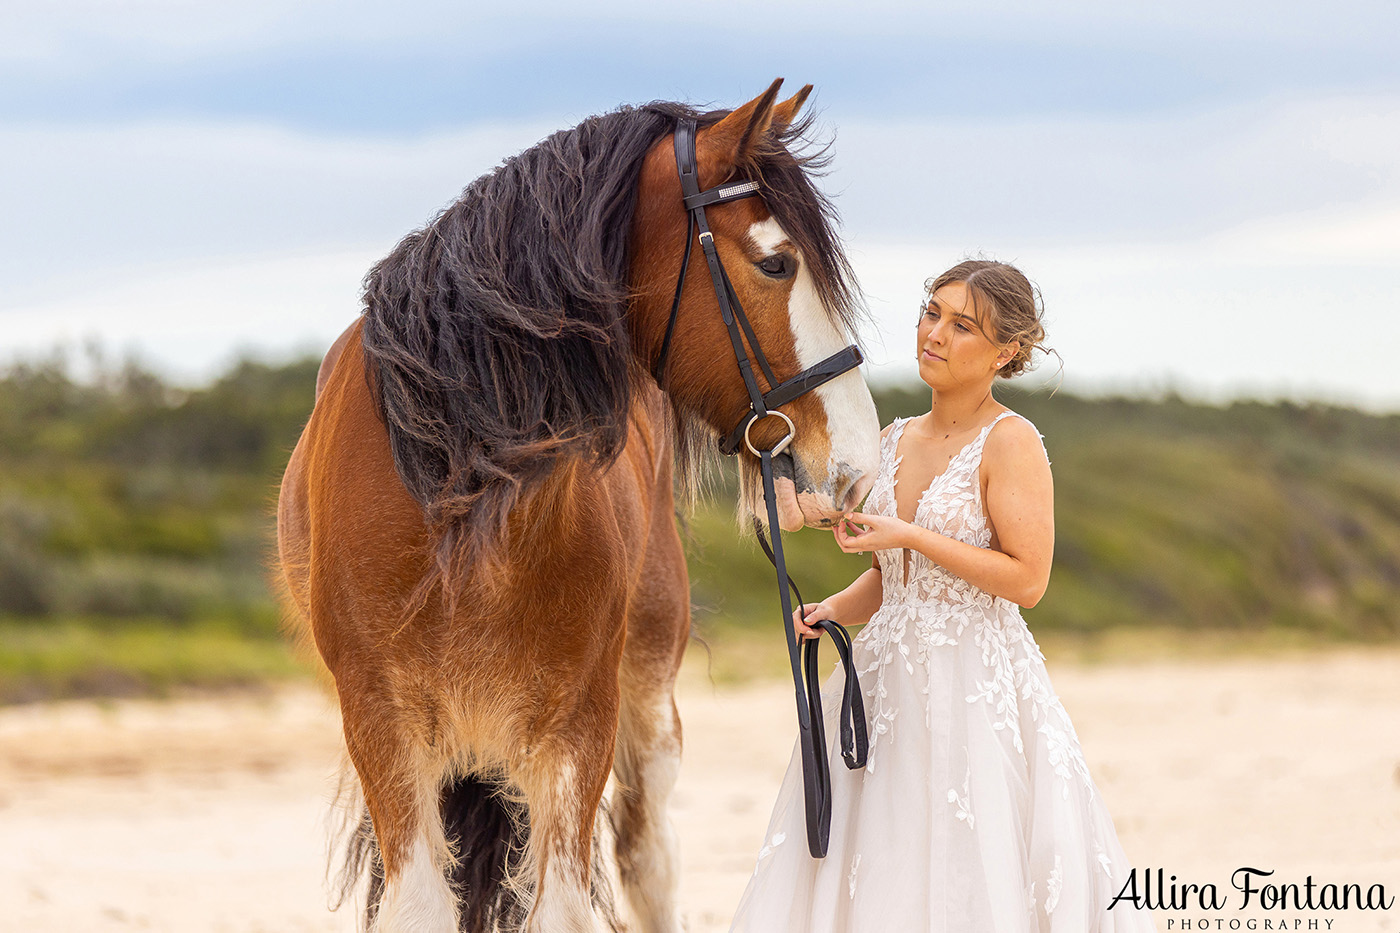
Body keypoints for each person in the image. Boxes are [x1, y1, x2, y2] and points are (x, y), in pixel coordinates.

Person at [728, 260, 1157, 932]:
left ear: (1006, 351)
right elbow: (891, 576)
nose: (934, 333)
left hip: (977, 684)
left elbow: (1028, 579)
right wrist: (833, 609)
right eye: (933, 312)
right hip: (886, 682)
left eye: (962, 325)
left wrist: (912, 534)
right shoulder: (893, 438)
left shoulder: (1010, 442)